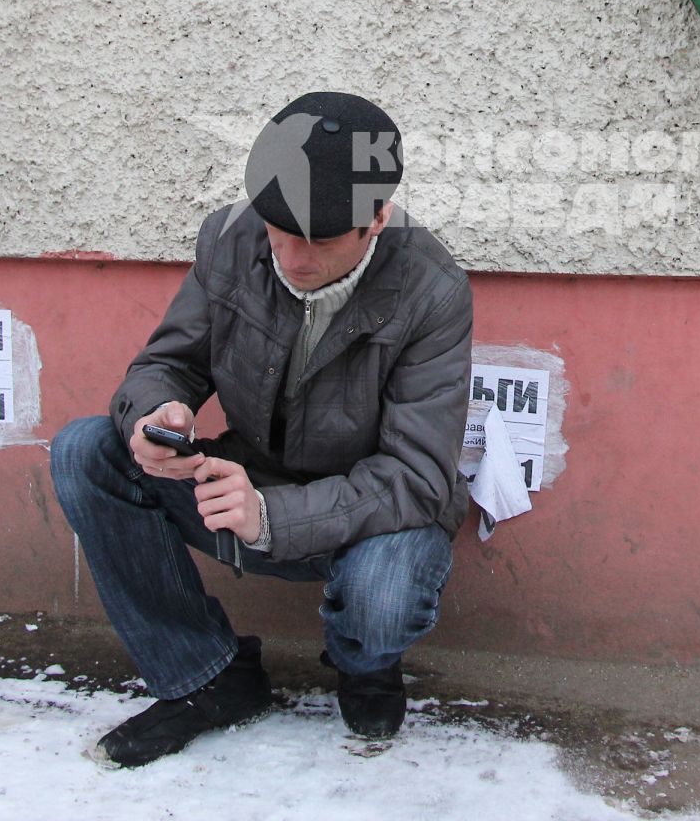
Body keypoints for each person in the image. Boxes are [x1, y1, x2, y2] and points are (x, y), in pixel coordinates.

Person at [51, 91, 472, 767]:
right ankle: (209, 680)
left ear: (378, 219)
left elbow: (419, 476)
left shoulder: (433, 291)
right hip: (244, 483)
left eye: (321, 240)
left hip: (373, 517)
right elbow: (167, 365)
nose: (293, 258)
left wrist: (271, 515)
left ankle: (364, 664)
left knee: (387, 590)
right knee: (85, 450)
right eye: (279, 231)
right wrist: (156, 415)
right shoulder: (232, 237)